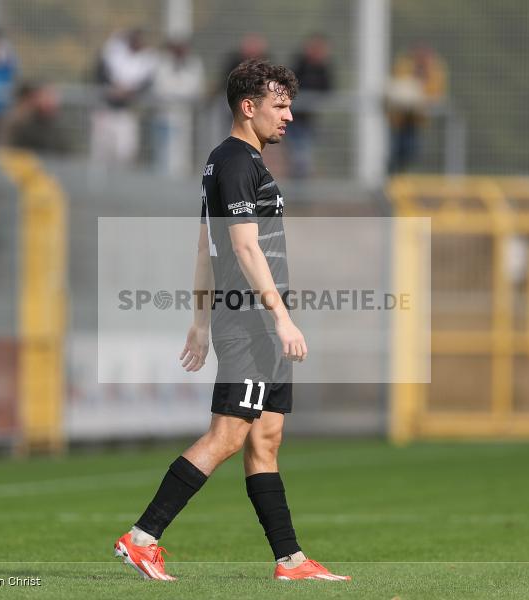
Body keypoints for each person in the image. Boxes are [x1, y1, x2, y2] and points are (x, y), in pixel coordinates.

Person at [113, 59, 350, 582]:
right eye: (280, 105)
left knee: (266, 440)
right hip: (252, 322)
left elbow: (205, 247)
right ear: (249, 107)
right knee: (227, 435)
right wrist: (280, 317)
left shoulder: (237, 163)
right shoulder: (235, 161)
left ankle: (290, 562)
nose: (288, 115)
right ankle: (141, 537)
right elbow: (239, 245)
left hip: (255, 322)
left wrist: (199, 323)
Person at [91, 28, 157, 167]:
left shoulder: (146, 59)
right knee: (102, 153)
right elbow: (101, 72)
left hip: (126, 112)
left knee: (125, 152)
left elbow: (146, 82)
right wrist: (114, 87)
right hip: (106, 110)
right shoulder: (115, 53)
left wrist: (129, 92)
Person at [386, 44, 447, 173]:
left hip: (416, 119)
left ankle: (401, 177)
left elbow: (435, 94)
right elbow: (398, 88)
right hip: (398, 118)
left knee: (411, 151)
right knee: (395, 150)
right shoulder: (404, 67)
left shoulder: (434, 71)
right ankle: (391, 179)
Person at [151, 37, 204, 176]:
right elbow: (160, 89)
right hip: (165, 116)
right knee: (164, 155)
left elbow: (195, 89)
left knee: (182, 157)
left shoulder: (194, 64)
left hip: (185, 117)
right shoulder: (163, 64)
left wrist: (178, 94)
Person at [287, 33, 334, 179]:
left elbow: (327, 89)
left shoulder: (323, 68)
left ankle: (301, 189)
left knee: (302, 157)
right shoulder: (299, 64)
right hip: (292, 119)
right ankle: (298, 190)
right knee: (298, 156)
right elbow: (290, 84)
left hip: (309, 120)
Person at [0, 82, 70, 156]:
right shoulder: (22, 121)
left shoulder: (50, 122)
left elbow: (64, 149)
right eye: (48, 97)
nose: (54, 102)